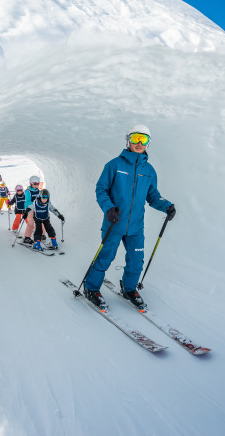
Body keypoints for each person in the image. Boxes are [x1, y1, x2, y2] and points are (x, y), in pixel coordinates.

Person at [83, 124, 176, 310]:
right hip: (113, 223)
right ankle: (91, 288)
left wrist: (166, 205)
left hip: (135, 226)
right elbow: (101, 190)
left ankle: (129, 288)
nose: (139, 143)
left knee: (136, 260)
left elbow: (153, 196)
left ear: (148, 143)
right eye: (136, 138)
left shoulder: (149, 170)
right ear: (128, 140)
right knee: (105, 257)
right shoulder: (114, 165)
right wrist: (109, 208)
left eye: (144, 139)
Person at [22, 175, 45, 244]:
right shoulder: (28, 191)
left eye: (37, 184)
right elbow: (28, 201)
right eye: (35, 184)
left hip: (38, 209)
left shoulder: (39, 191)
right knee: (31, 223)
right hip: (30, 209)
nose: (36, 186)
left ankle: (42, 234)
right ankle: (27, 237)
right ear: (31, 183)